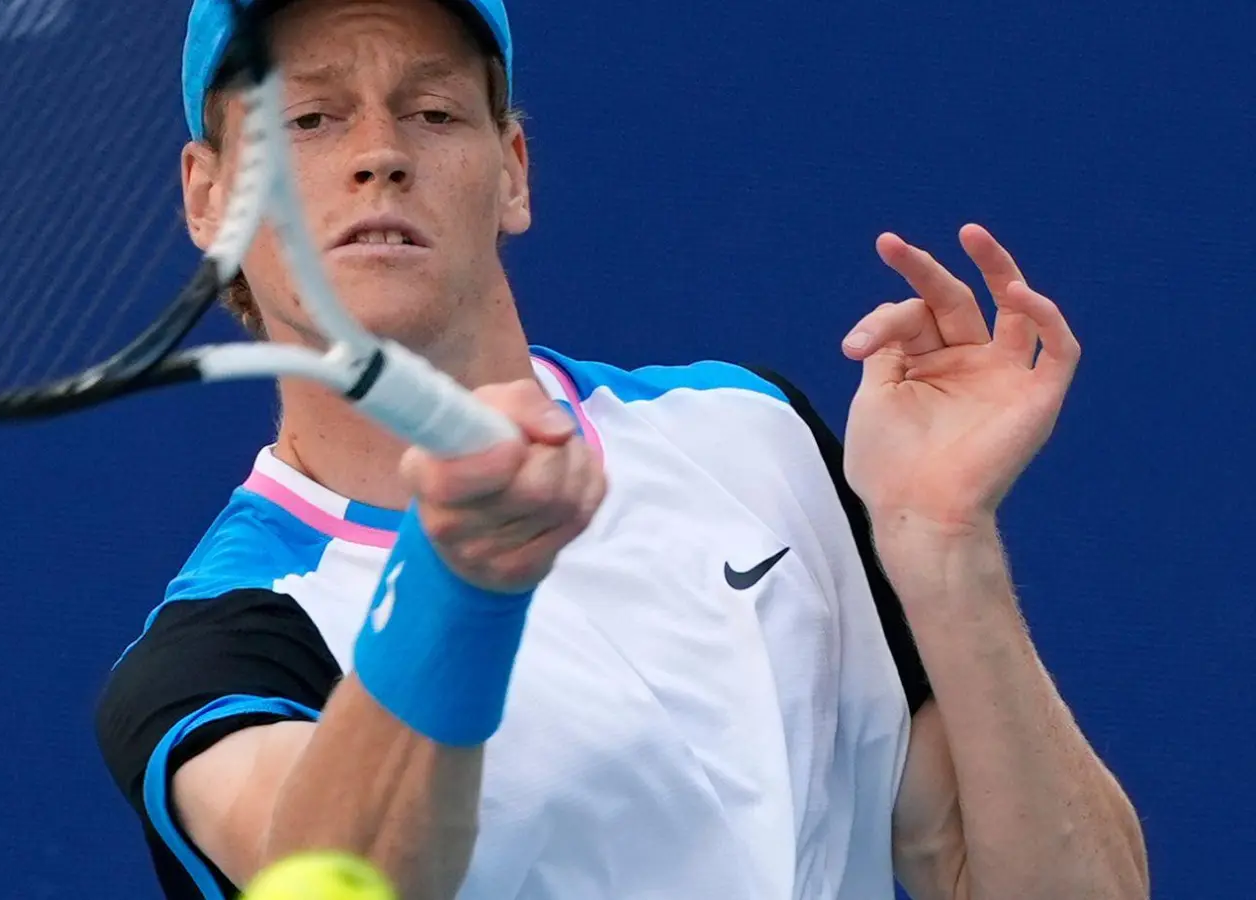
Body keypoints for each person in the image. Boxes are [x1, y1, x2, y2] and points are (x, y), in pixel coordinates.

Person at [94, 0, 1149, 897]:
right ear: (209, 194)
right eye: (311, 119)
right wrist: (461, 582)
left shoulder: (749, 435)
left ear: (510, 171)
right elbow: (334, 872)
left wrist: (943, 546)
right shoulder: (225, 649)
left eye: (433, 111)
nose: (380, 154)